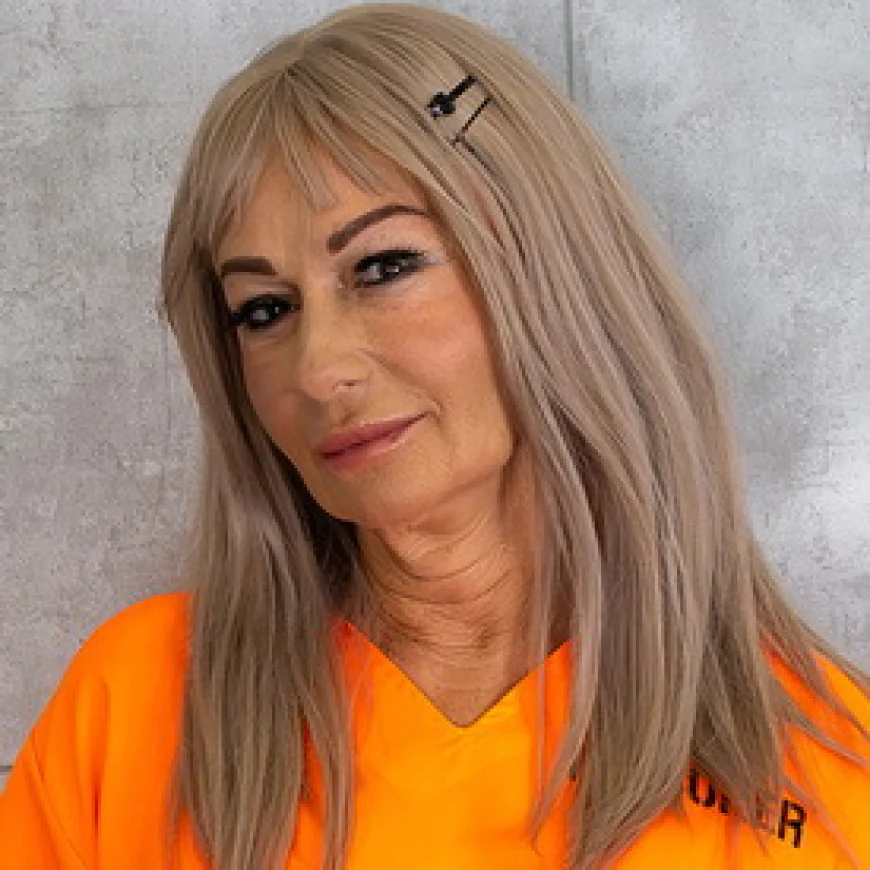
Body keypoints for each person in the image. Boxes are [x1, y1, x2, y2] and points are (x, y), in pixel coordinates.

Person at [1, 3, 867, 868]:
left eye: (383, 267)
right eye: (264, 310)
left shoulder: (827, 778)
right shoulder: (137, 707)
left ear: (551, 267)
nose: (318, 368)